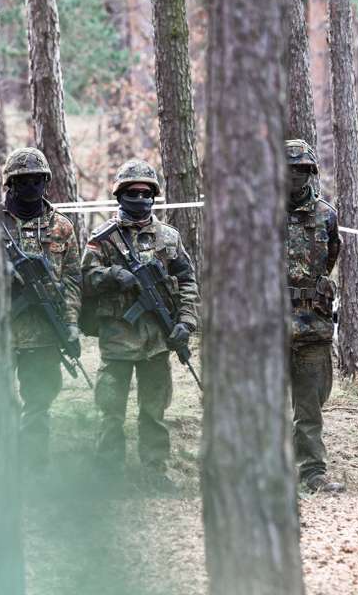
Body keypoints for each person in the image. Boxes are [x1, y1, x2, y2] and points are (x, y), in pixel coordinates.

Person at [81, 159, 199, 492]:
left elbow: (187, 281)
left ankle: (154, 469)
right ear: (120, 195)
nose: (140, 198)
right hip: (118, 335)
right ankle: (108, 472)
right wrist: (112, 276)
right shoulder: (103, 237)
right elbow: (85, 279)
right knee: (111, 409)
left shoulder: (169, 237)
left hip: (157, 339)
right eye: (132, 192)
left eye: (146, 192)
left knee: (154, 409)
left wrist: (186, 323)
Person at [0, 147, 82, 473]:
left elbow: (73, 280)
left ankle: (33, 471)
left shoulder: (61, 227)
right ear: (10, 184)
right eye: (23, 181)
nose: (31, 186)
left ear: (46, 181)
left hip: (45, 333)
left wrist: (71, 325)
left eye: (37, 180)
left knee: (38, 405)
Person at [284, 140, 344, 494]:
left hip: (312, 326)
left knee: (310, 404)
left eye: (302, 170)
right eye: (290, 169)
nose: (296, 176)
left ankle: (312, 473)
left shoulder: (326, 214)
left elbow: (330, 256)